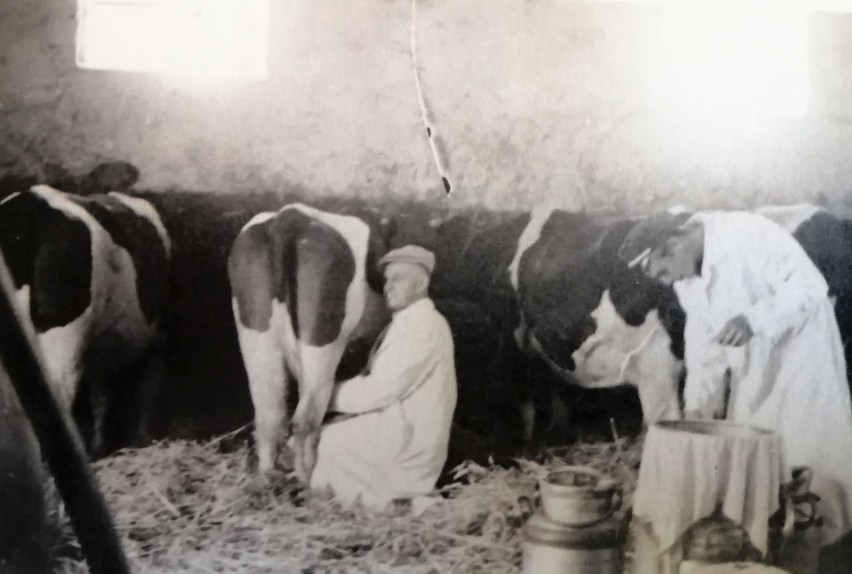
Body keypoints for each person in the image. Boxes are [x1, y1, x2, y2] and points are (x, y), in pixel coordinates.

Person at [621, 210, 852, 563]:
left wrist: (753, 319)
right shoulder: (688, 281)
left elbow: (811, 286)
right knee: (760, 462)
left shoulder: (746, 234)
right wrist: (697, 408)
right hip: (754, 371)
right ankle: (773, 557)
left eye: (663, 272)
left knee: (813, 468)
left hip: (801, 363)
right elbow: (704, 348)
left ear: (672, 245)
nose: (667, 282)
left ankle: (828, 556)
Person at [310, 245, 458, 510]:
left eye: (398, 279)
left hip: (410, 440)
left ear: (422, 282)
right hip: (400, 423)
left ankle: (394, 502)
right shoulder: (409, 321)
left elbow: (380, 390)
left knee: (328, 439)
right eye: (387, 280)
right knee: (328, 435)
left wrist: (324, 395)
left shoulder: (422, 325)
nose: (388, 286)